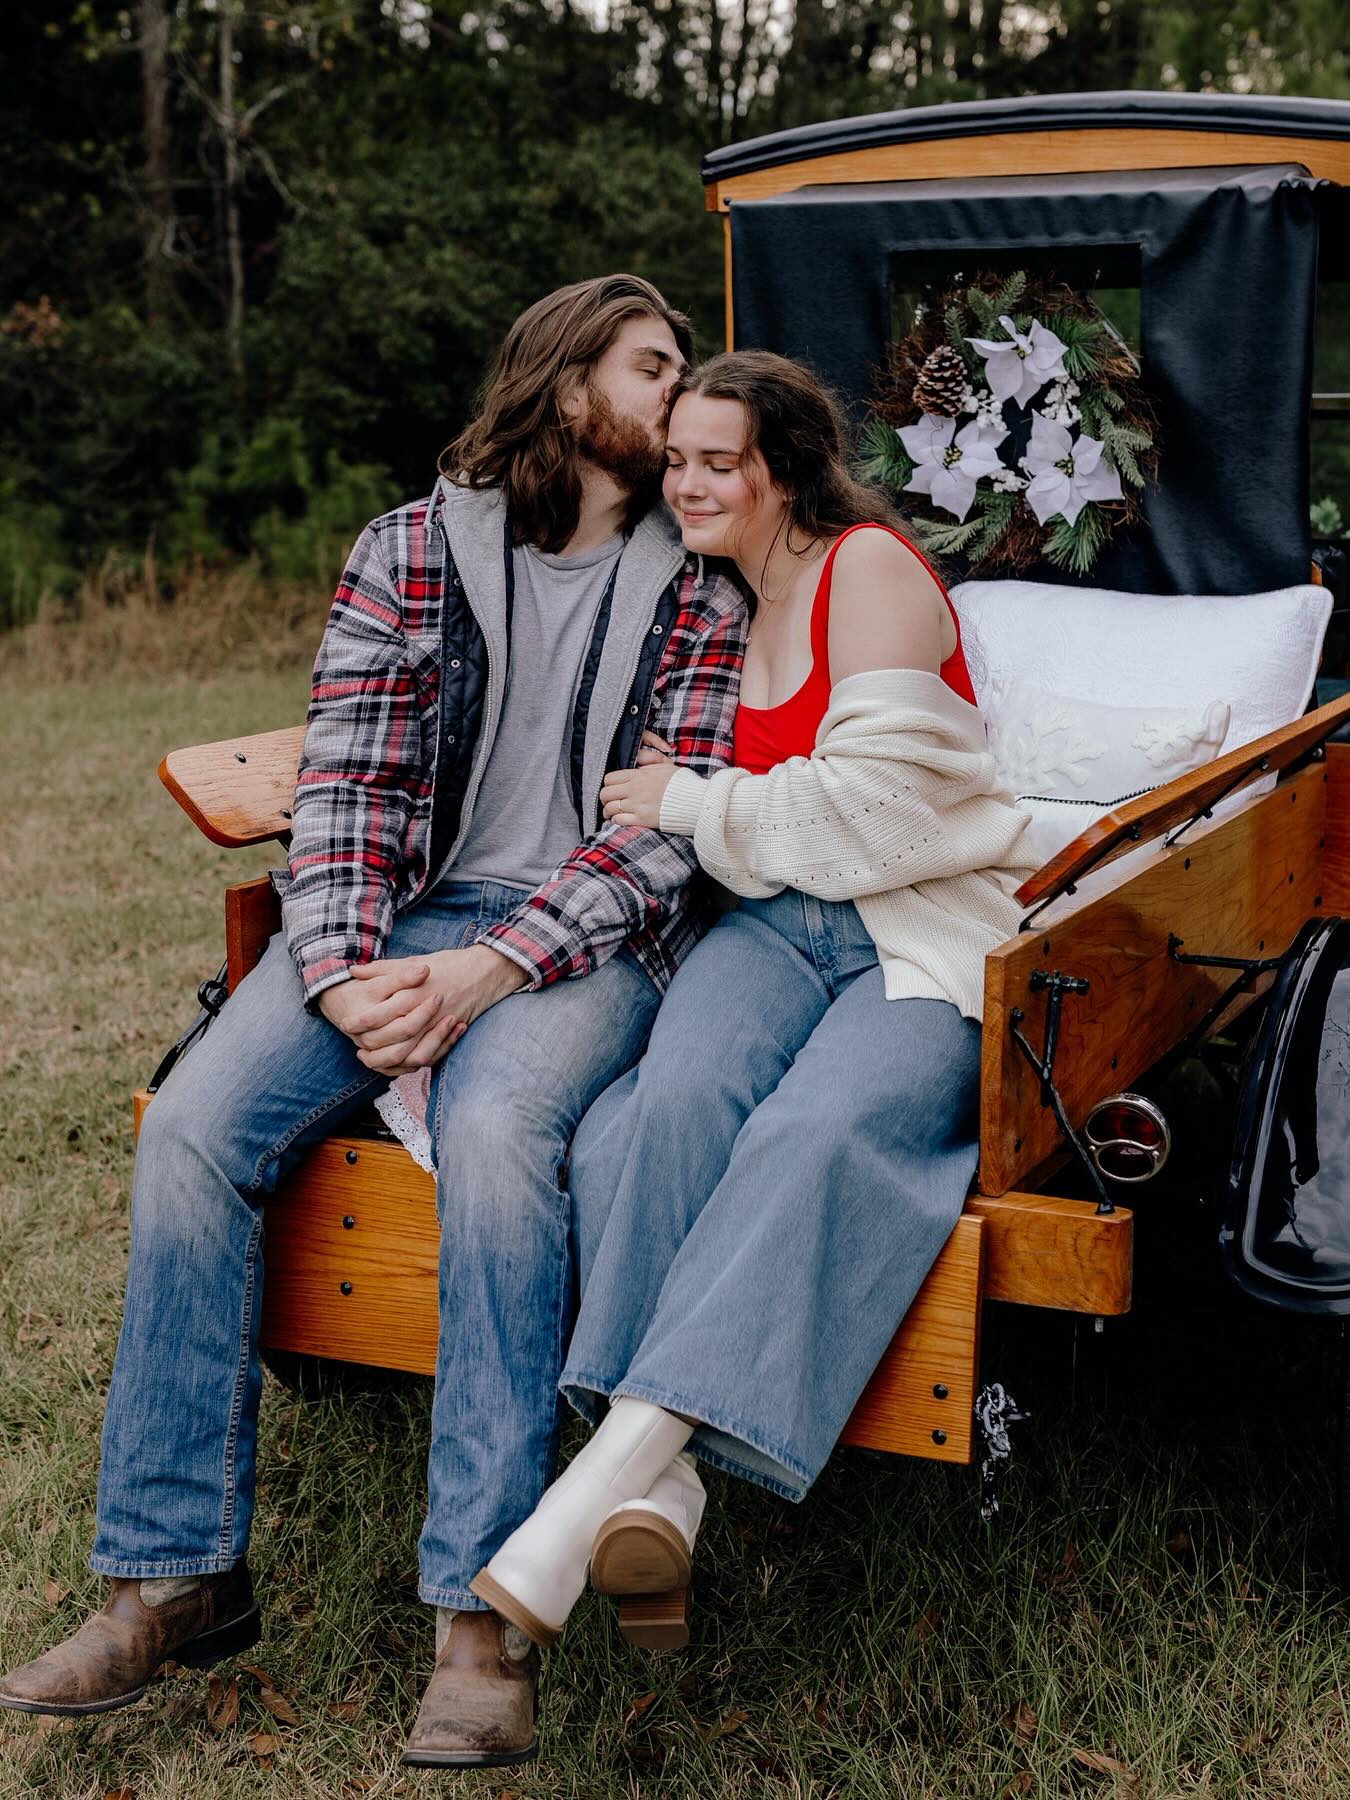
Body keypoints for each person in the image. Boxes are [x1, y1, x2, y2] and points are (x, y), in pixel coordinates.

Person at [0, 276, 748, 1769]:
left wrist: (489, 975)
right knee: (198, 1131)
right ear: (564, 381)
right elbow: (346, 789)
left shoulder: (704, 577)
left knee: (494, 1135)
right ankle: (175, 1573)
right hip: (392, 922)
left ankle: (481, 1613)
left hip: (585, 942)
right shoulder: (411, 550)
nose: (684, 400)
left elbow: (667, 840)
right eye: (654, 369)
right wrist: (343, 974)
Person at [466, 350, 1034, 1660]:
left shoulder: (868, 572)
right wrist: (698, 808)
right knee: (660, 1108)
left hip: (919, 928)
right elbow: (775, 831)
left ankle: (608, 1476)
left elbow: (880, 821)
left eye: (719, 461)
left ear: (786, 471)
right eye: (679, 459)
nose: (690, 482)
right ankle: (659, 1485)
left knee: (821, 1132)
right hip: (771, 924)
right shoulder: (712, 601)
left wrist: (691, 802)